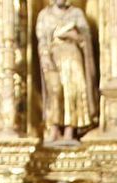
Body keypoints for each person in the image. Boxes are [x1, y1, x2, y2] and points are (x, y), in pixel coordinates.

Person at [36, 0, 98, 142]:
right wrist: (45, 57)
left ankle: (70, 130)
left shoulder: (76, 14)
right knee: (55, 92)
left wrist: (74, 36)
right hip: (54, 57)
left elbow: (85, 38)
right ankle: (54, 128)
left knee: (73, 92)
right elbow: (42, 40)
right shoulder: (44, 15)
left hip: (73, 57)